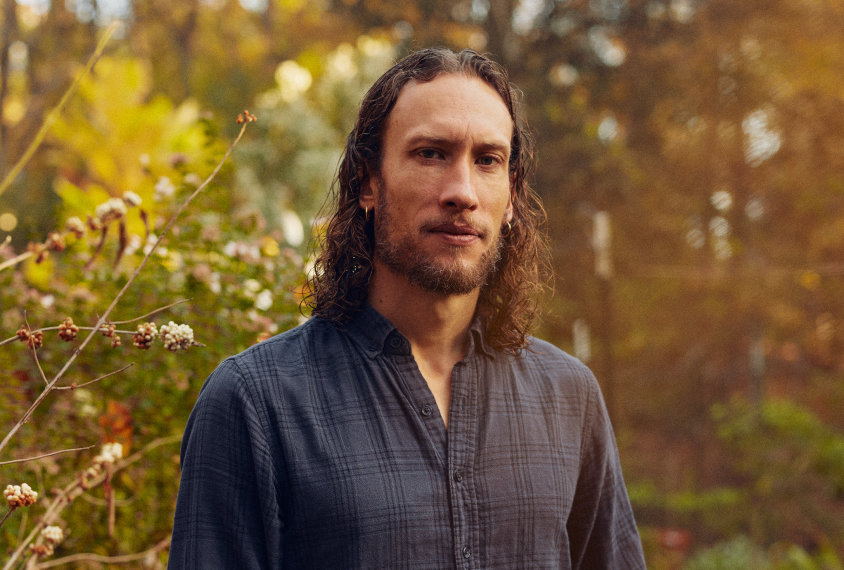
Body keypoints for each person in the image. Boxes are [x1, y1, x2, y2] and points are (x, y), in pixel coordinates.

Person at [168, 48, 646, 569]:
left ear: (510, 198)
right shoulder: (256, 404)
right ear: (368, 181)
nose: (462, 191)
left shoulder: (569, 399)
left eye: (487, 160)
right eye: (431, 153)